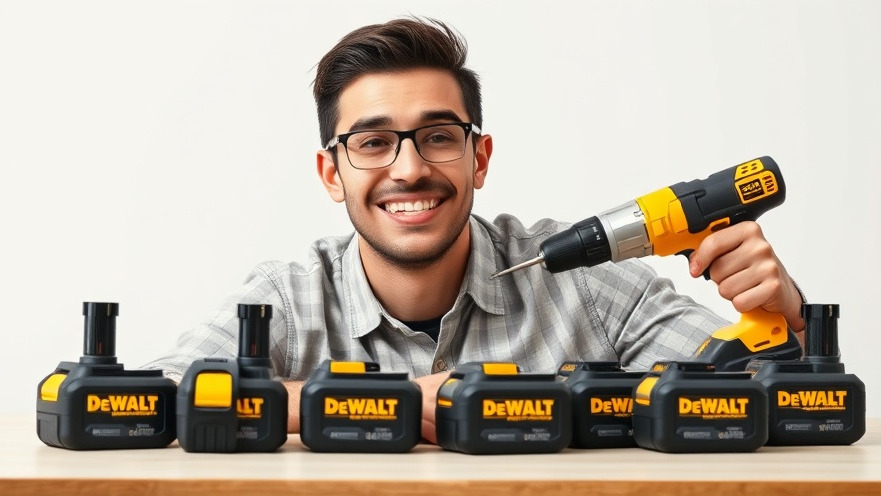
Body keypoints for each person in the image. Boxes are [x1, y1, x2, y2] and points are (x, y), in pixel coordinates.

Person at [144, 17, 806, 443]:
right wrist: (389, 401)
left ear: (478, 158)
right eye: (373, 143)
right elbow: (149, 402)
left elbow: (771, 400)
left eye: (437, 137)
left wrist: (782, 319)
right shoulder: (284, 302)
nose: (409, 169)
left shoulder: (592, 289)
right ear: (330, 173)